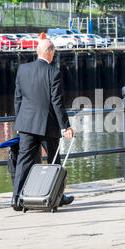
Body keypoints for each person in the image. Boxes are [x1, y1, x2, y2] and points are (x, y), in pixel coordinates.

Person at [11, 38, 75, 211]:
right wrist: (65, 127)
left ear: (38, 51)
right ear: (51, 52)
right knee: (55, 161)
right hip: (47, 125)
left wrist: (19, 122)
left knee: (23, 161)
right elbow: (57, 102)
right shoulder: (53, 72)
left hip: (26, 125)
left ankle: (16, 199)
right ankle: (58, 197)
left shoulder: (23, 69)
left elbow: (18, 98)